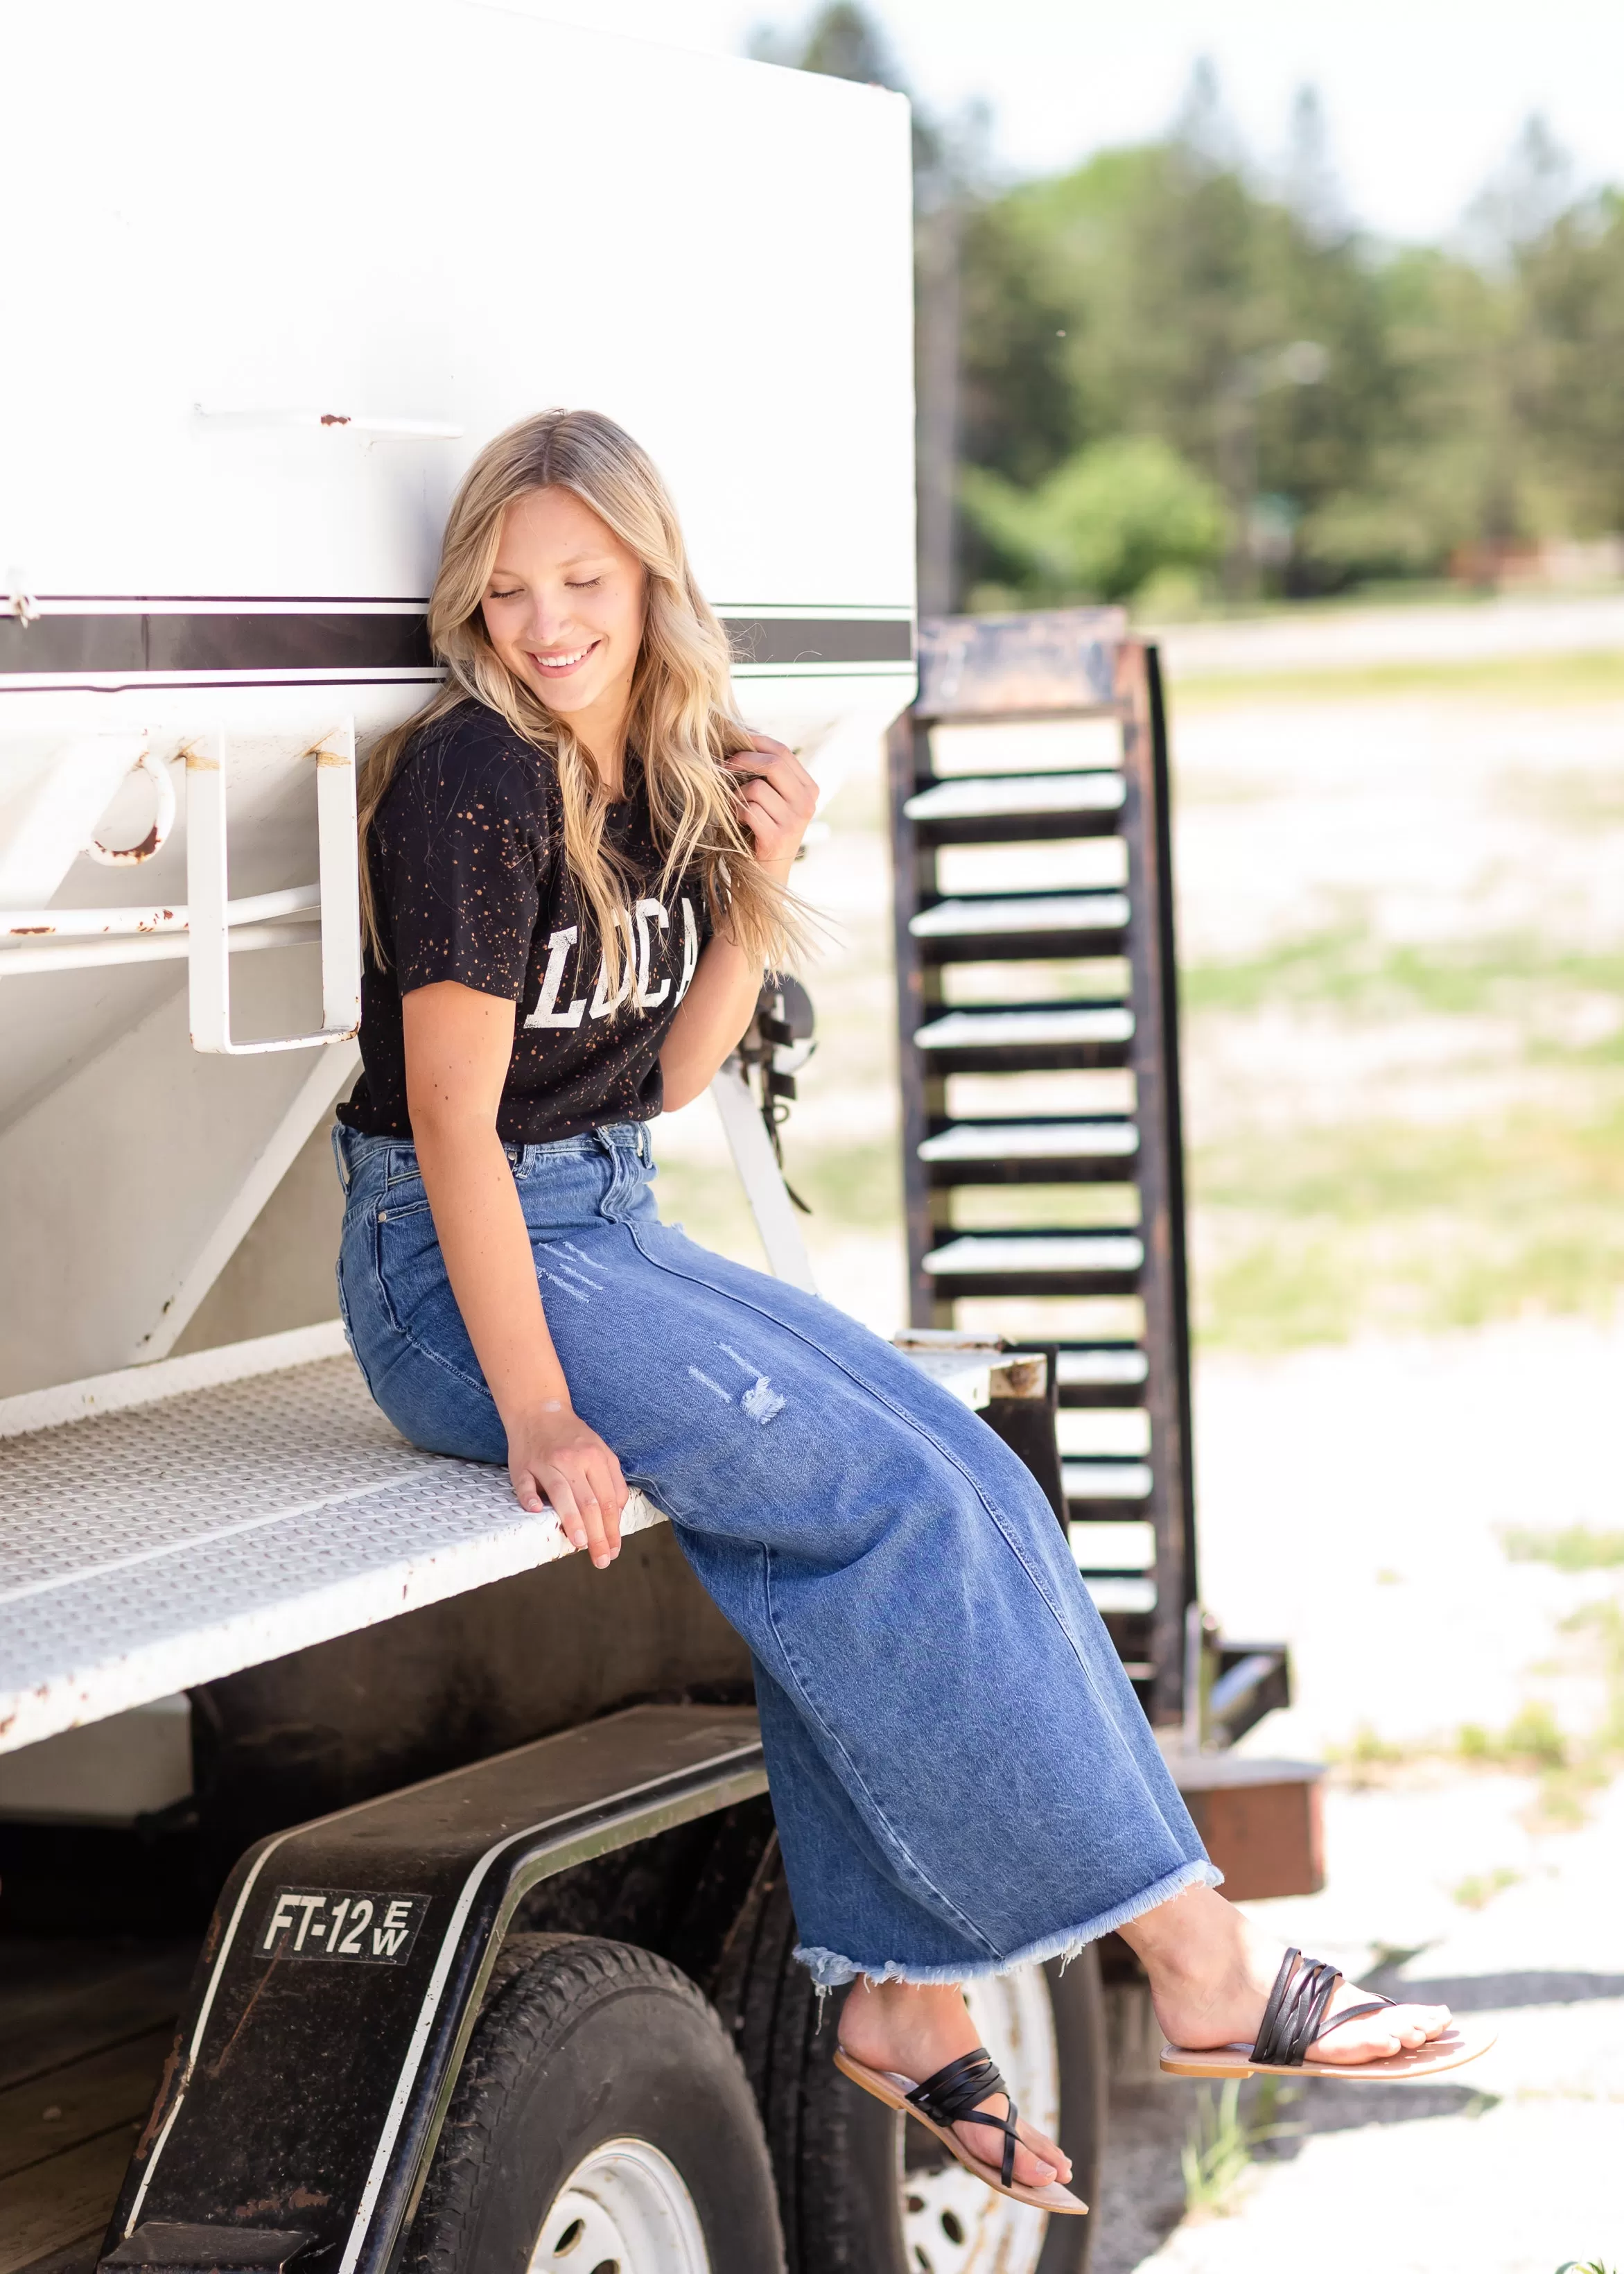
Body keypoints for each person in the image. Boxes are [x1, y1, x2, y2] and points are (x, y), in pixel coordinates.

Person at [333, 408, 1477, 2212]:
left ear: (649, 581)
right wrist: (540, 1407)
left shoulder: (649, 762)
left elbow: (646, 1087)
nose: (545, 621)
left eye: (584, 581)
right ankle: (1196, 1958)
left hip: (604, 1221)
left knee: (956, 1467)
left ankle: (900, 1996)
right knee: (872, 1502)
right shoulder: (472, 777)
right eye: (508, 584)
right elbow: (460, 1125)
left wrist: (752, 883)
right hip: (455, 1269)